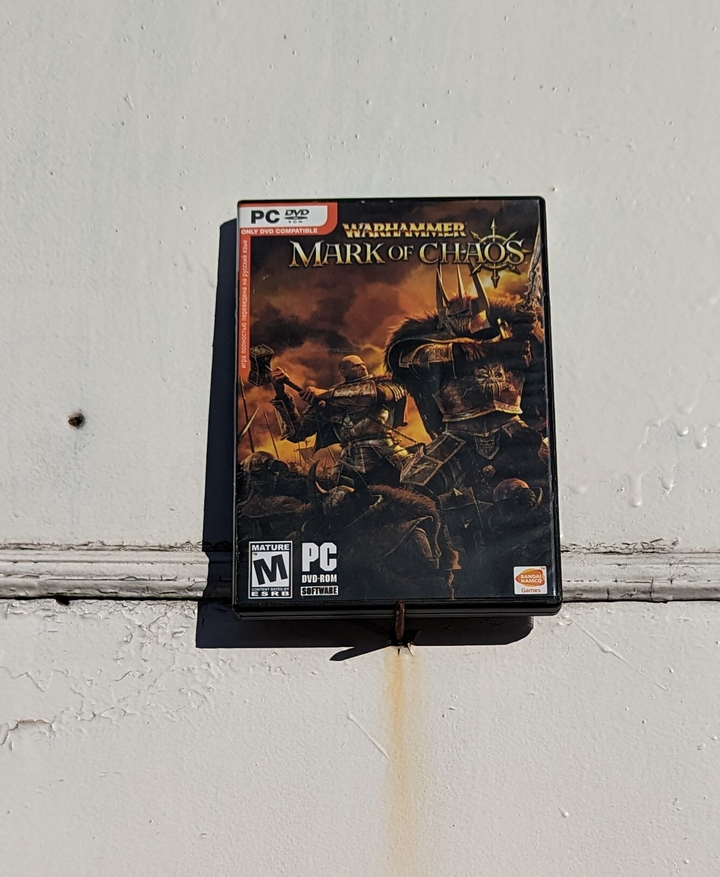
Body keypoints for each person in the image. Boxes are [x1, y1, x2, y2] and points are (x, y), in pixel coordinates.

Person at [270, 354, 410, 485]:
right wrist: (281, 393)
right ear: (344, 372)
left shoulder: (384, 383)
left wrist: (327, 394)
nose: (362, 367)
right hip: (348, 467)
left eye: (362, 364)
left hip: (389, 457)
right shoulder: (329, 401)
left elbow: (380, 395)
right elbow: (297, 433)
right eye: (356, 365)